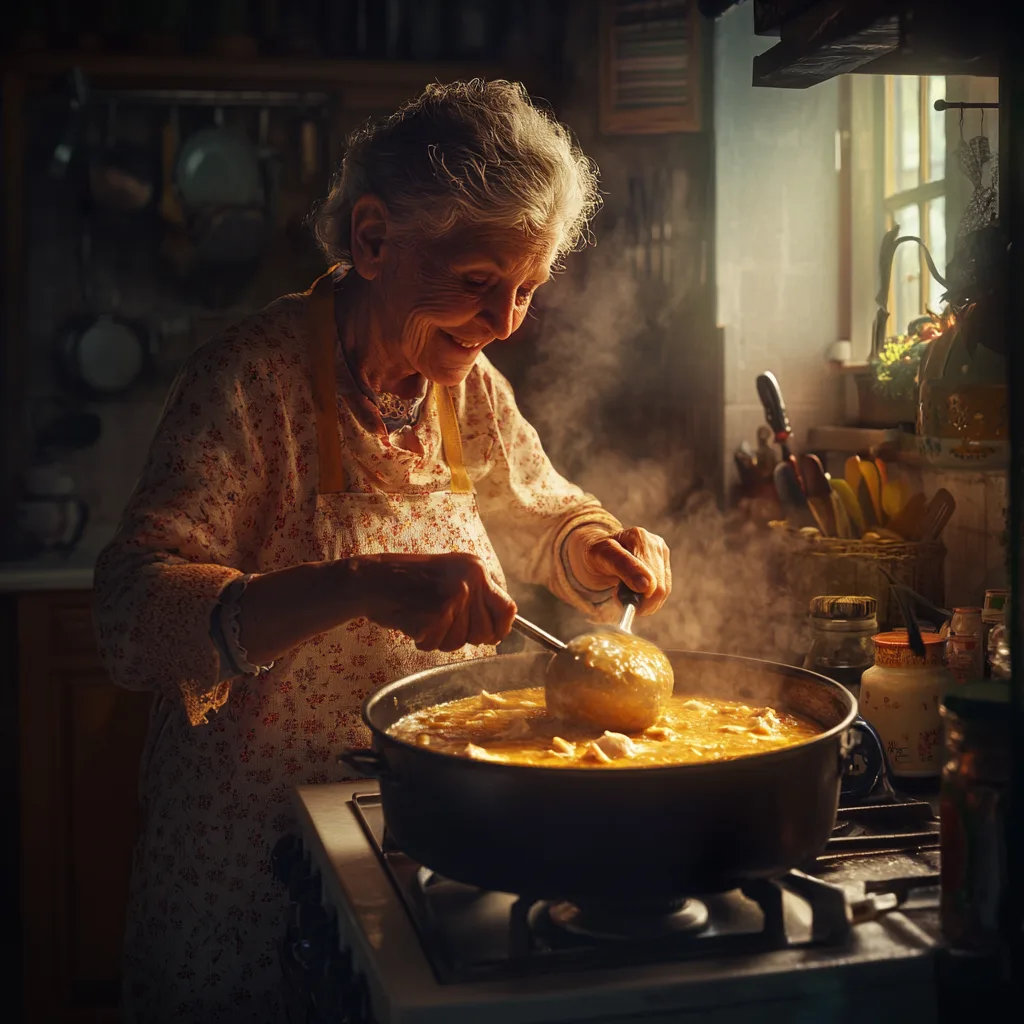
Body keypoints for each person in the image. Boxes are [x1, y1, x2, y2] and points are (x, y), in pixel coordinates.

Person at [94, 79, 671, 1023]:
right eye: (481, 282)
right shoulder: (249, 383)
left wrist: (598, 546)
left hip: (430, 833)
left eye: (527, 288)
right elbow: (129, 615)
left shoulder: (465, 387)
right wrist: (356, 585)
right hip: (251, 849)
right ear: (372, 239)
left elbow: (540, 512)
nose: (505, 324)